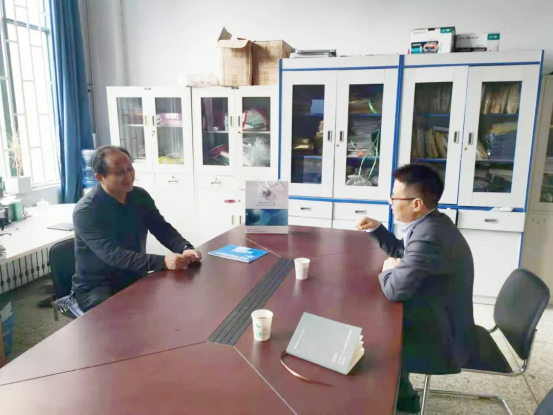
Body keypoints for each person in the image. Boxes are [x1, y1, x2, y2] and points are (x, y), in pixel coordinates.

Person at [357, 164, 475, 413]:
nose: (390, 202)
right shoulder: (431, 223)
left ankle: (403, 404)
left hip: (440, 333)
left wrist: (389, 269)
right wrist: (377, 229)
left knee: (374, 339)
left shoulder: (429, 235)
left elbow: (395, 289)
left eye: (394, 198)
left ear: (417, 204)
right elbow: (405, 253)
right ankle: (401, 396)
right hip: (438, 312)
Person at [72, 146, 201, 312]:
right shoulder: (86, 211)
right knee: (118, 321)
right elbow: (112, 254)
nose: (128, 176)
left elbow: (161, 228)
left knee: (175, 303)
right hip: (98, 287)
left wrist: (184, 247)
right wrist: (162, 261)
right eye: (119, 172)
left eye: (130, 169)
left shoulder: (139, 196)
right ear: (100, 177)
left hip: (134, 275)